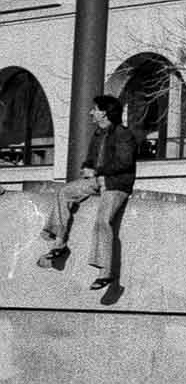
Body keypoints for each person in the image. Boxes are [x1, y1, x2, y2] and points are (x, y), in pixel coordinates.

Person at [38, 95, 137, 290]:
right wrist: (86, 168)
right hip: (97, 180)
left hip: (116, 184)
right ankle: (59, 243)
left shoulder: (123, 134)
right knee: (65, 192)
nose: (91, 112)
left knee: (103, 221)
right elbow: (91, 160)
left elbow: (124, 163)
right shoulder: (99, 134)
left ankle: (105, 272)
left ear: (105, 113)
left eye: (95, 109)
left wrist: (98, 171)